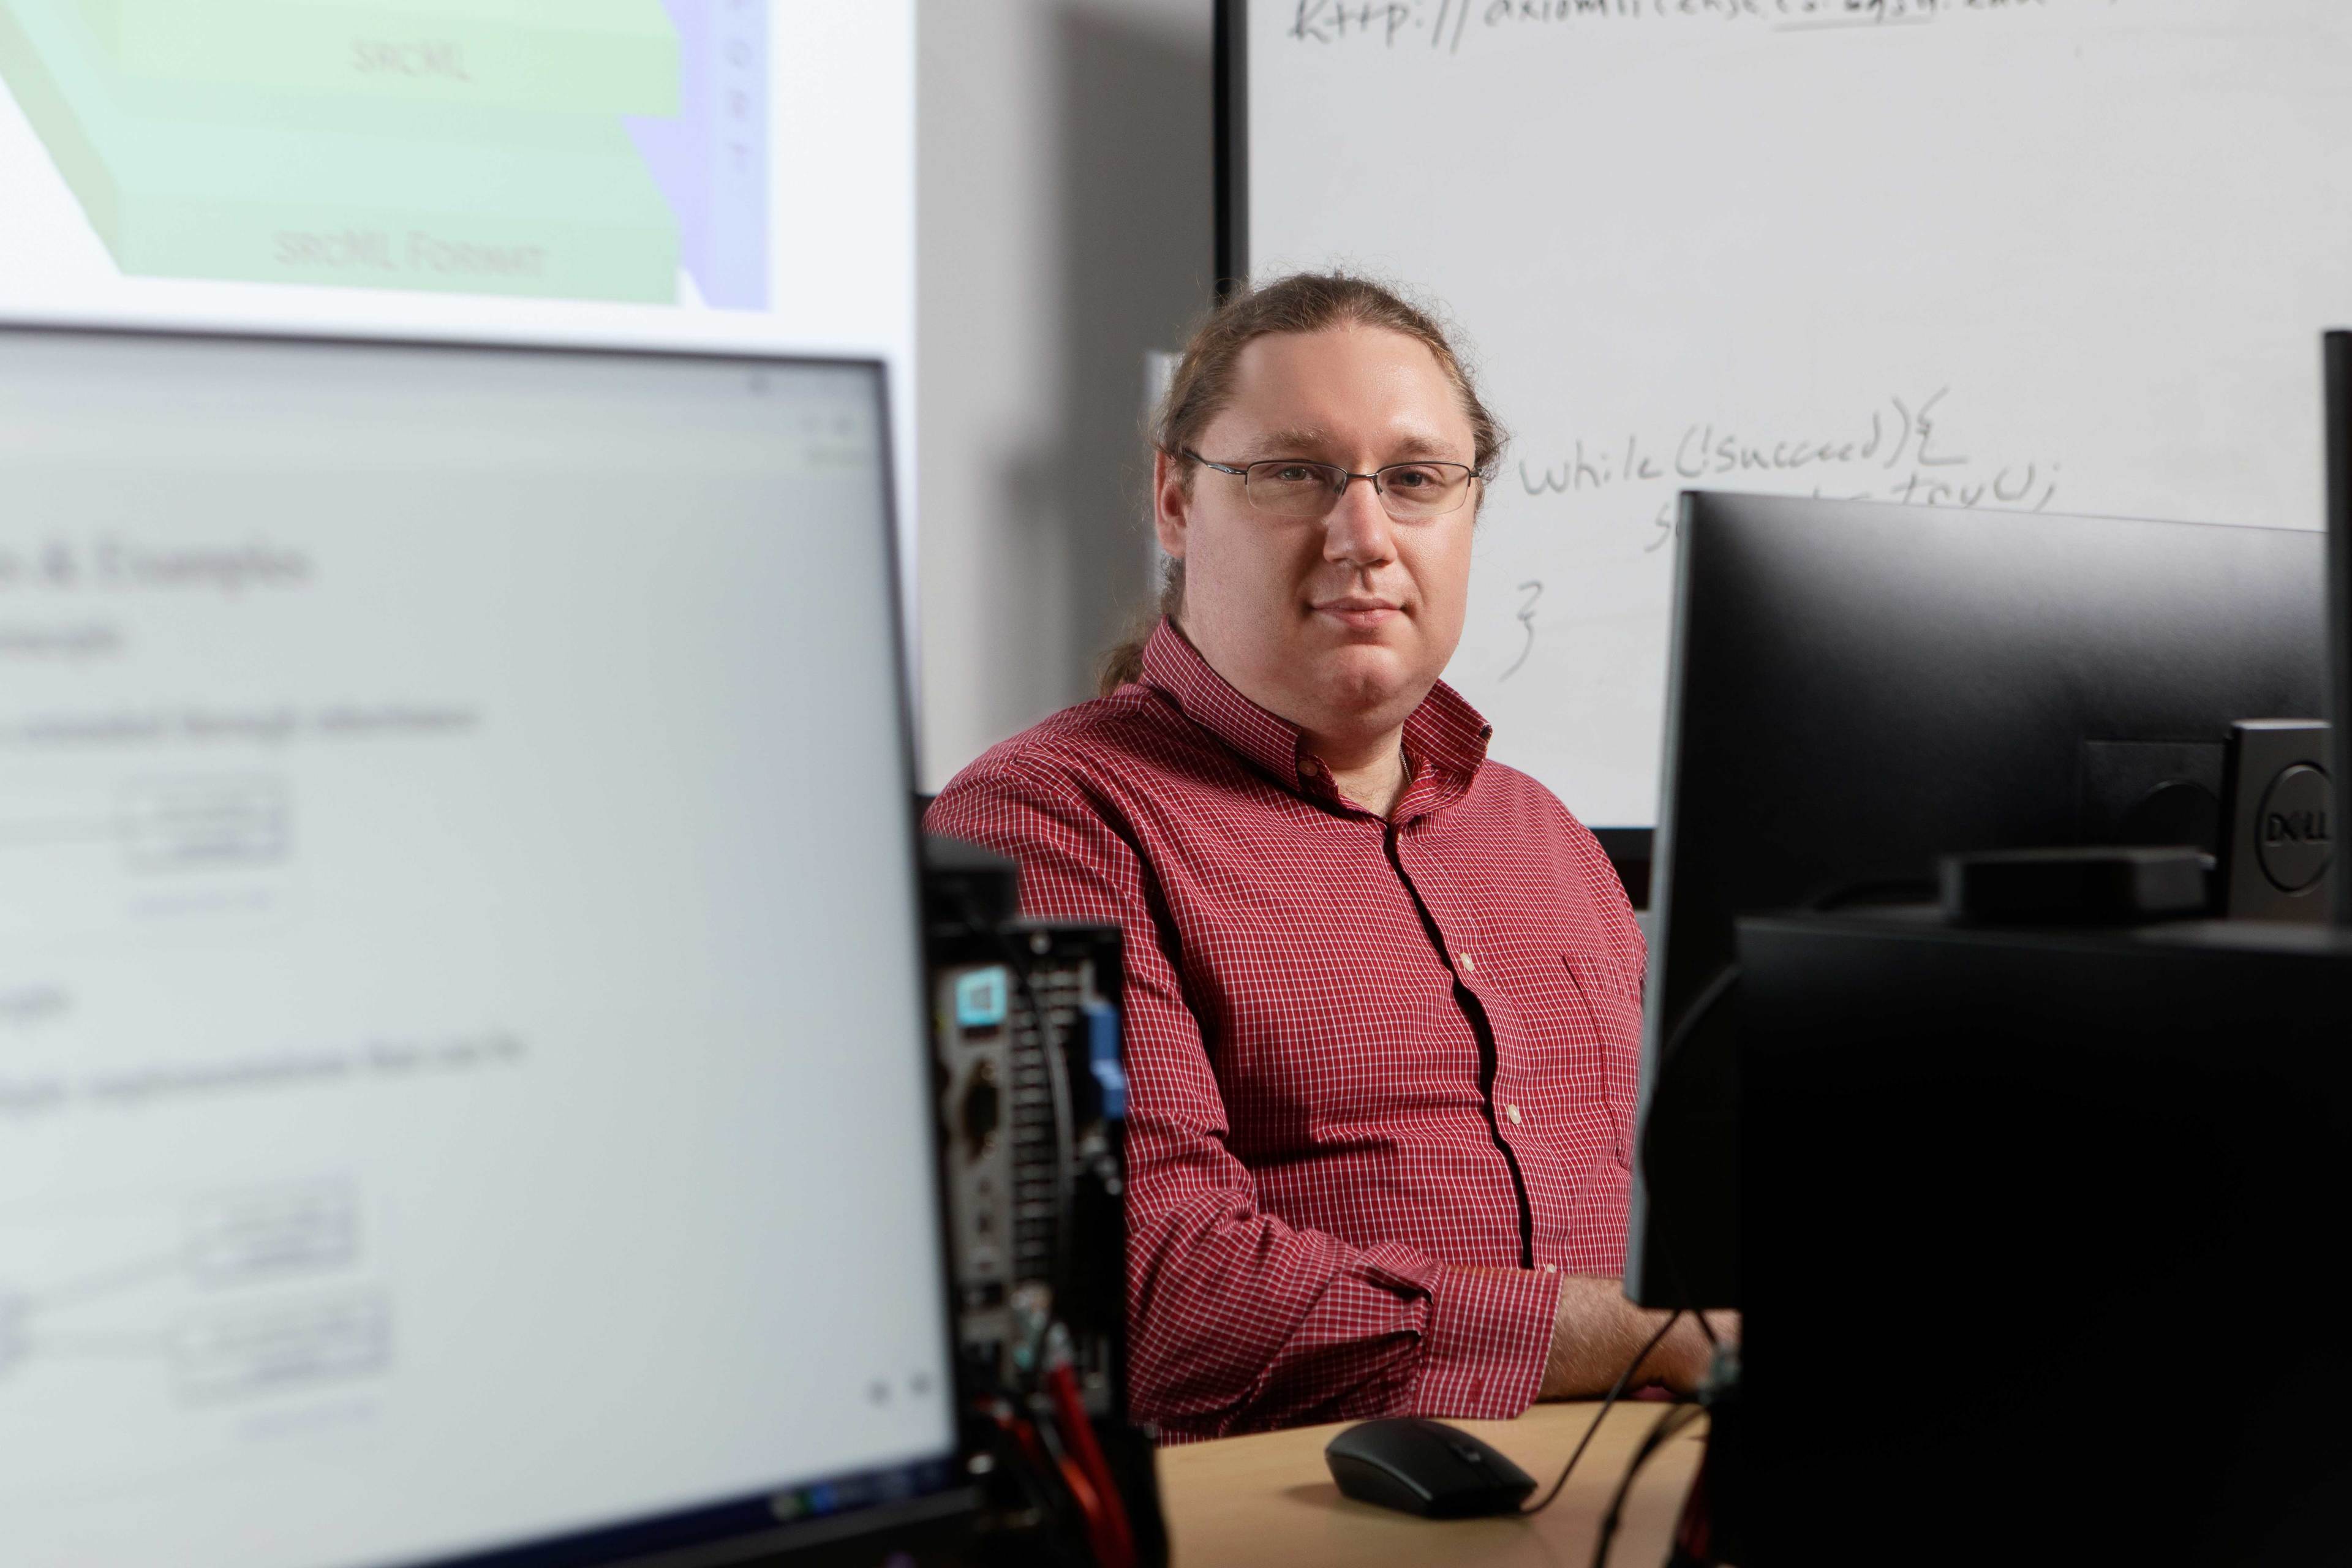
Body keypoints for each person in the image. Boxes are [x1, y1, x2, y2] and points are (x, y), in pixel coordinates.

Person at [925, 273, 1722, 1442]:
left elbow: (1691, 1215)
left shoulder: (1545, 840)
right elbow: (1154, 1301)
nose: (1365, 536)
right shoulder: (1047, 824)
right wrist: (1643, 1335)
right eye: (1295, 474)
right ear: (1176, 501)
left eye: (1415, 481)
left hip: (1643, 1485)